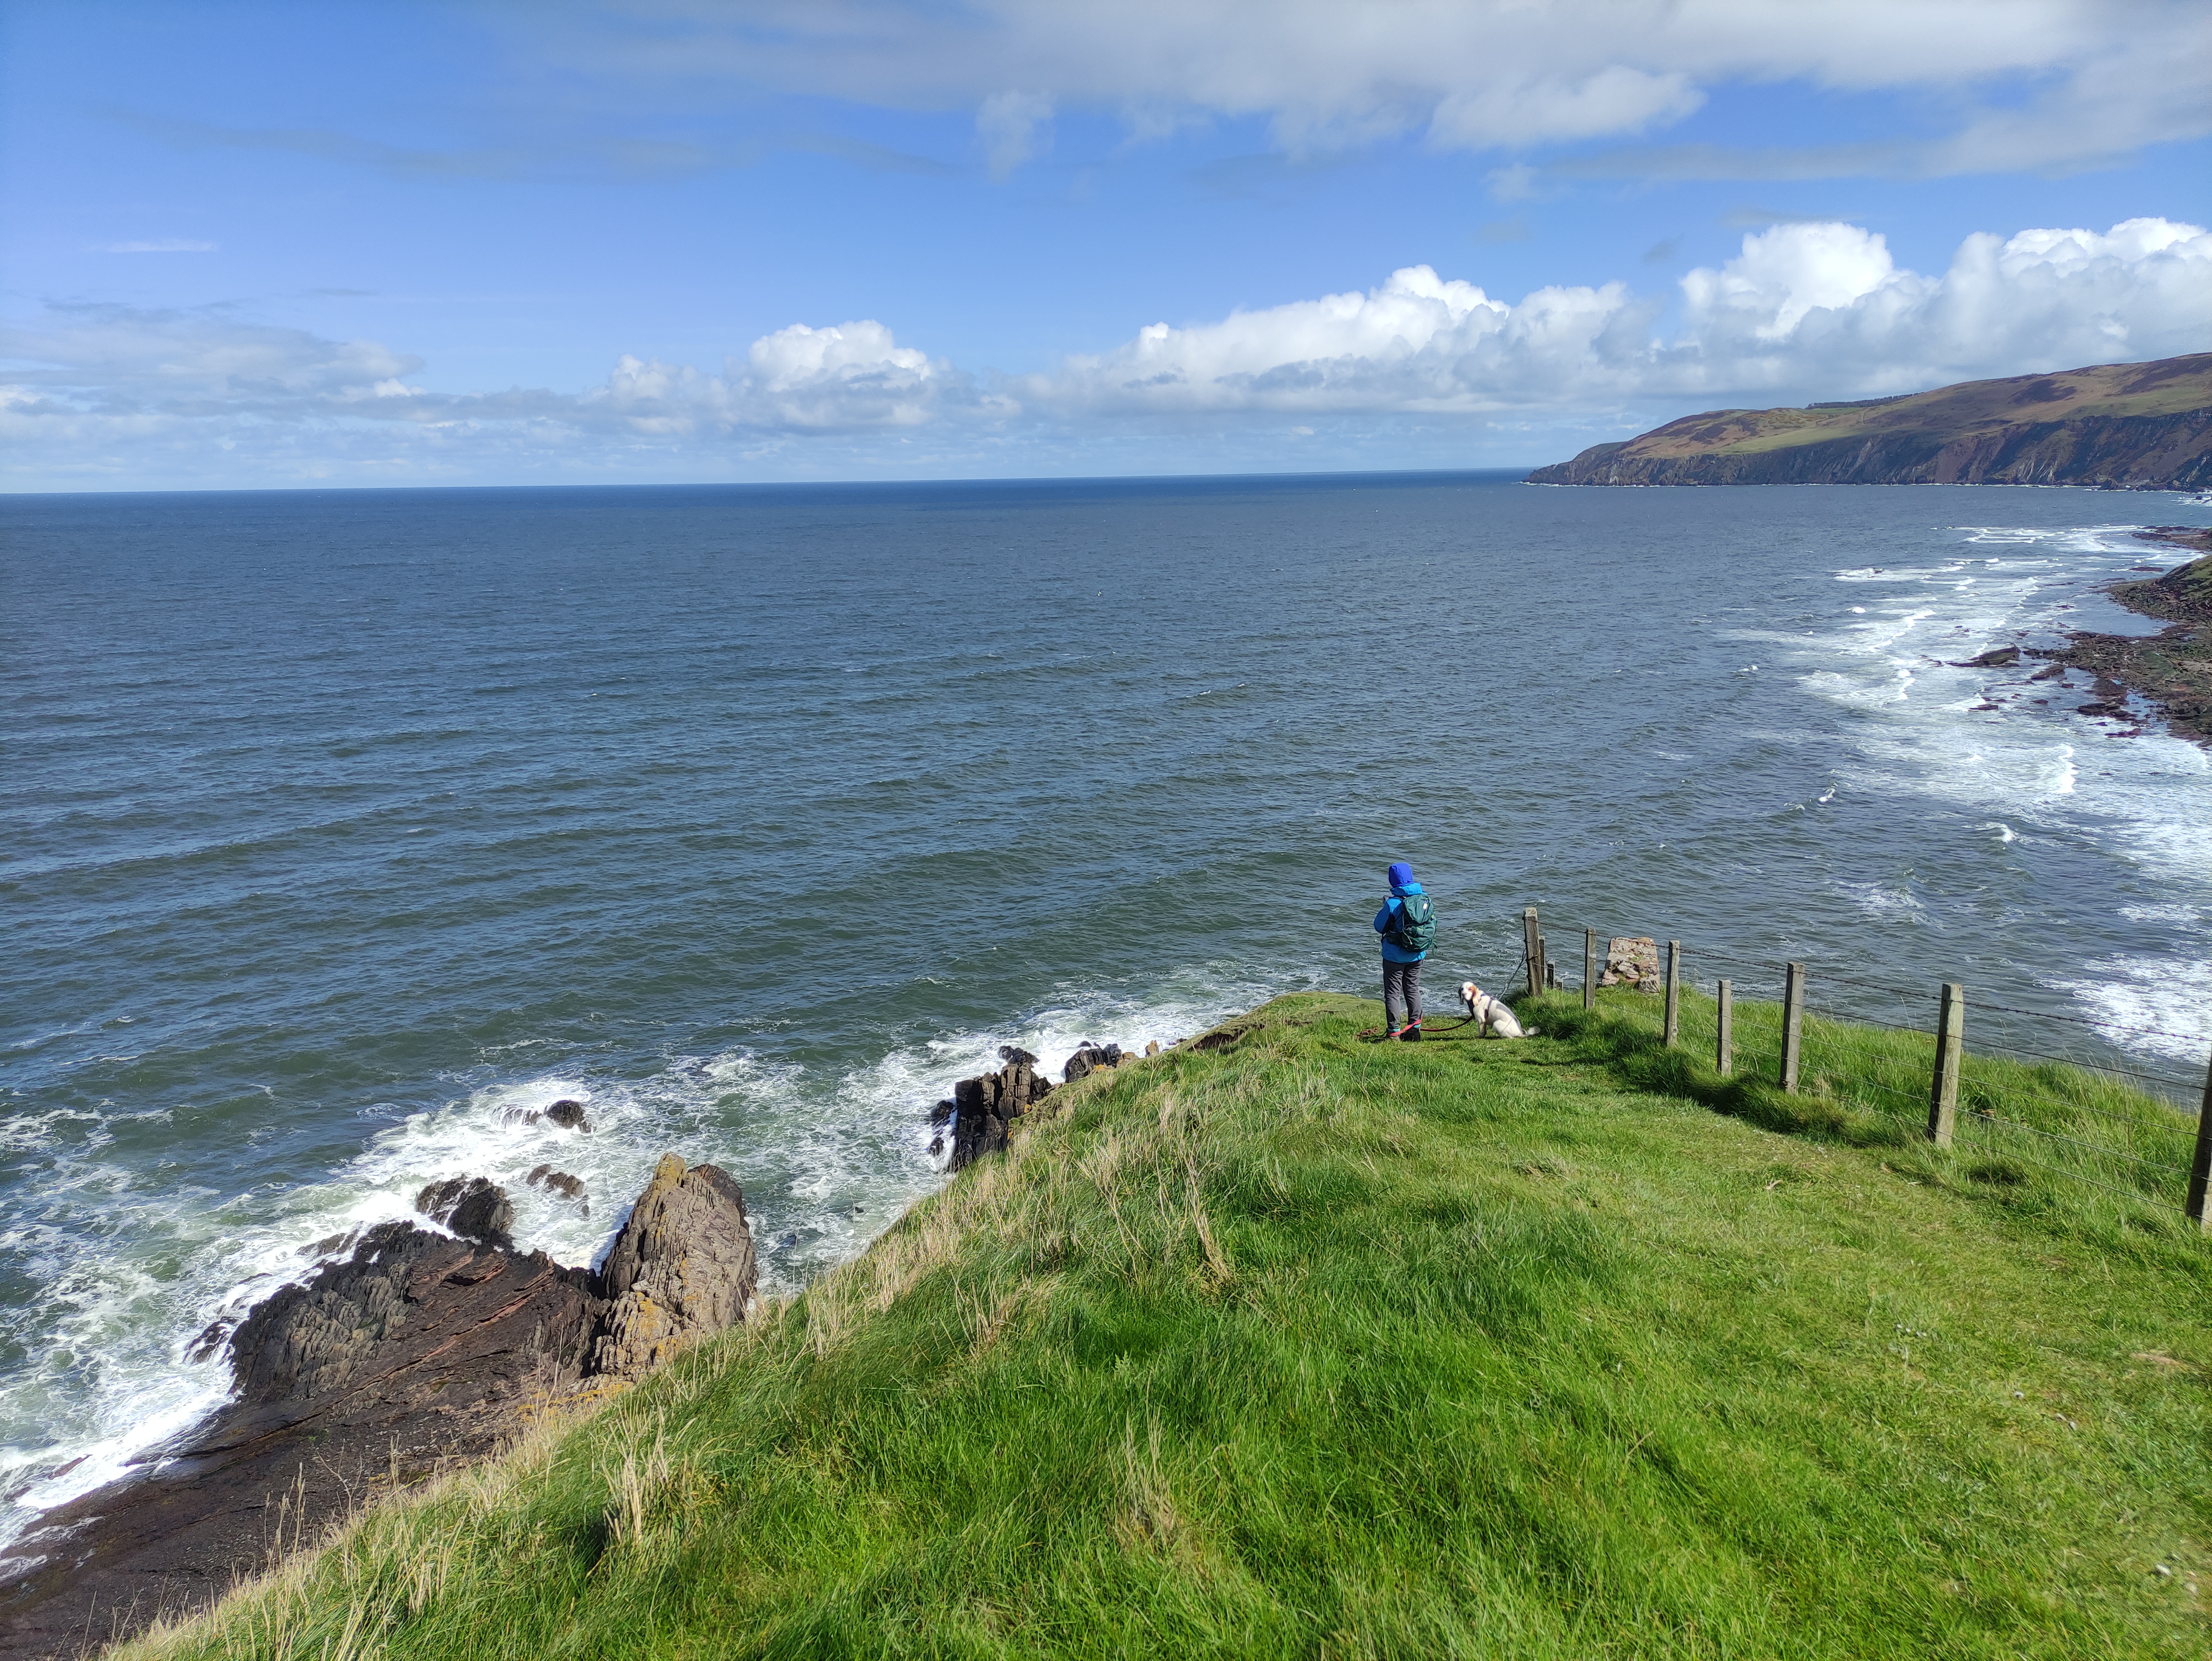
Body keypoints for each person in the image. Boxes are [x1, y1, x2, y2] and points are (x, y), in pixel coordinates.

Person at [1372, 861, 1435, 1041]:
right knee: (1412, 989)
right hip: (1418, 954)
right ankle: (1415, 1031)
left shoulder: (1393, 904)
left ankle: (1393, 1034)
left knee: (1393, 993)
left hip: (1394, 957)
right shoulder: (1424, 898)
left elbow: (1379, 926)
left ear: (1393, 881)